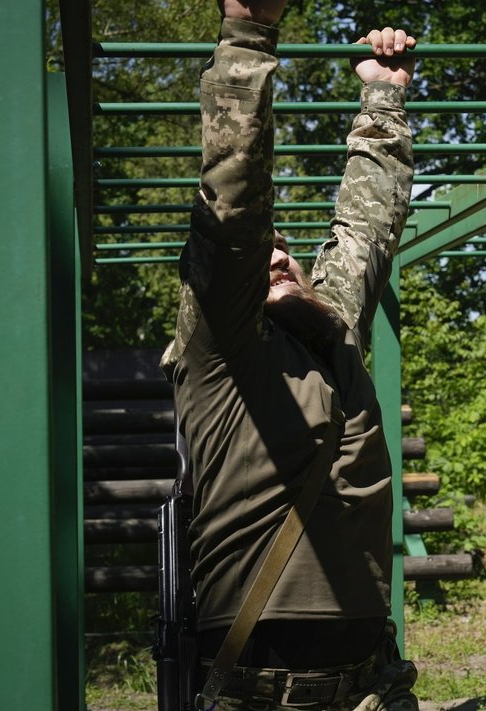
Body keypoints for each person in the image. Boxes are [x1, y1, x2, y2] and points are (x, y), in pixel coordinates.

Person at [160, 0, 420, 707]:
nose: (276, 252)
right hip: (257, 690)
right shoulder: (219, 354)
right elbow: (233, 206)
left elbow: (367, 222)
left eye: (287, 248)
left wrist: (383, 92)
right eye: (261, 252)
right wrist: (247, 34)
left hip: (372, 686)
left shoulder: (331, 329)